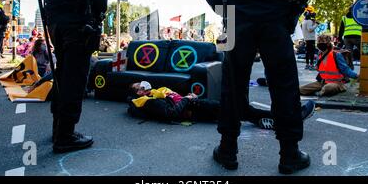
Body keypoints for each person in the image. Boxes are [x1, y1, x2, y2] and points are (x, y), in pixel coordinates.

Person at [199, 0, 323, 174]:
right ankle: (289, 154)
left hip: (236, 20)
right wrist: (297, 3)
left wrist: (224, 11)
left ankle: (228, 150)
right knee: (284, 85)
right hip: (275, 18)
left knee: (232, 84)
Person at [37, 0, 108, 153]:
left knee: (62, 76)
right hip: (79, 25)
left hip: (56, 25)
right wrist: (98, 18)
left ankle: (58, 127)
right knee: (75, 80)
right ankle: (66, 135)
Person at [127, 82, 316, 130]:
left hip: (195, 105)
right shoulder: (148, 102)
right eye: (139, 87)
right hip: (195, 109)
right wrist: (187, 98)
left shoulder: (154, 92)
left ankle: (271, 120)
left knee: (240, 111)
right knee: (239, 109)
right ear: (138, 93)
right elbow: (171, 113)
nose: (143, 86)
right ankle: (291, 118)